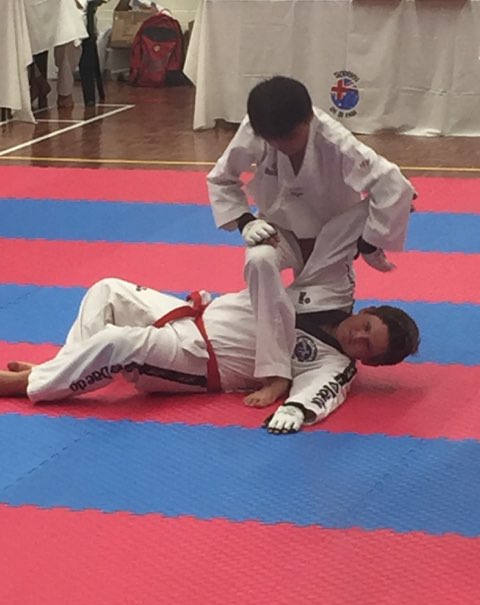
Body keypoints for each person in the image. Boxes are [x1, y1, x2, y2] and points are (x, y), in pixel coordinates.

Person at [207, 75, 417, 405]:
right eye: (272, 140)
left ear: (309, 118)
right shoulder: (257, 127)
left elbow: (394, 184)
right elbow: (221, 179)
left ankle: (369, 245)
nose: (281, 145)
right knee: (259, 259)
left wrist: (370, 241)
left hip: (332, 239)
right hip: (279, 231)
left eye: (288, 136)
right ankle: (275, 373)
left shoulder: (337, 141)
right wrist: (245, 221)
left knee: (400, 196)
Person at [0, 278, 419, 434]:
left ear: (369, 363)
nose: (358, 338)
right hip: (186, 316)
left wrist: (297, 410)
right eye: (366, 327)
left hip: (197, 358)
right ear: (366, 311)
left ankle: (27, 385)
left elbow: (323, 392)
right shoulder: (323, 300)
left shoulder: (334, 364)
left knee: (118, 342)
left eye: (368, 347)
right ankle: (62, 368)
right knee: (106, 289)